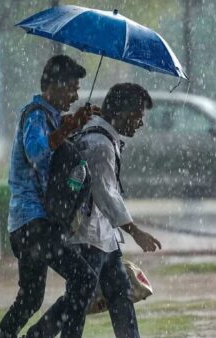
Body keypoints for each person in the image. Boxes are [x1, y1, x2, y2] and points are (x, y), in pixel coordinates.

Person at [0, 55, 99, 338]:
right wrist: (67, 128)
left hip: (26, 227)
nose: (76, 95)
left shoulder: (48, 117)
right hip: (33, 225)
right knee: (85, 278)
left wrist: (72, 124)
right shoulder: (36, 115)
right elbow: (37, 152)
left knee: (30, 300)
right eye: (73, 88)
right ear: (54, 86)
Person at [69, 83, 162, 338]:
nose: (141, 122)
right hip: (88, 237)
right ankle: (39, 333)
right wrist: (136, 232)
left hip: (102, 237)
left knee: (119, 295)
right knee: (77, 304)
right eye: (138, 115)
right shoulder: (99, 144)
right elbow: (106, 195)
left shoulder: (100, 135)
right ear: (121, 112)